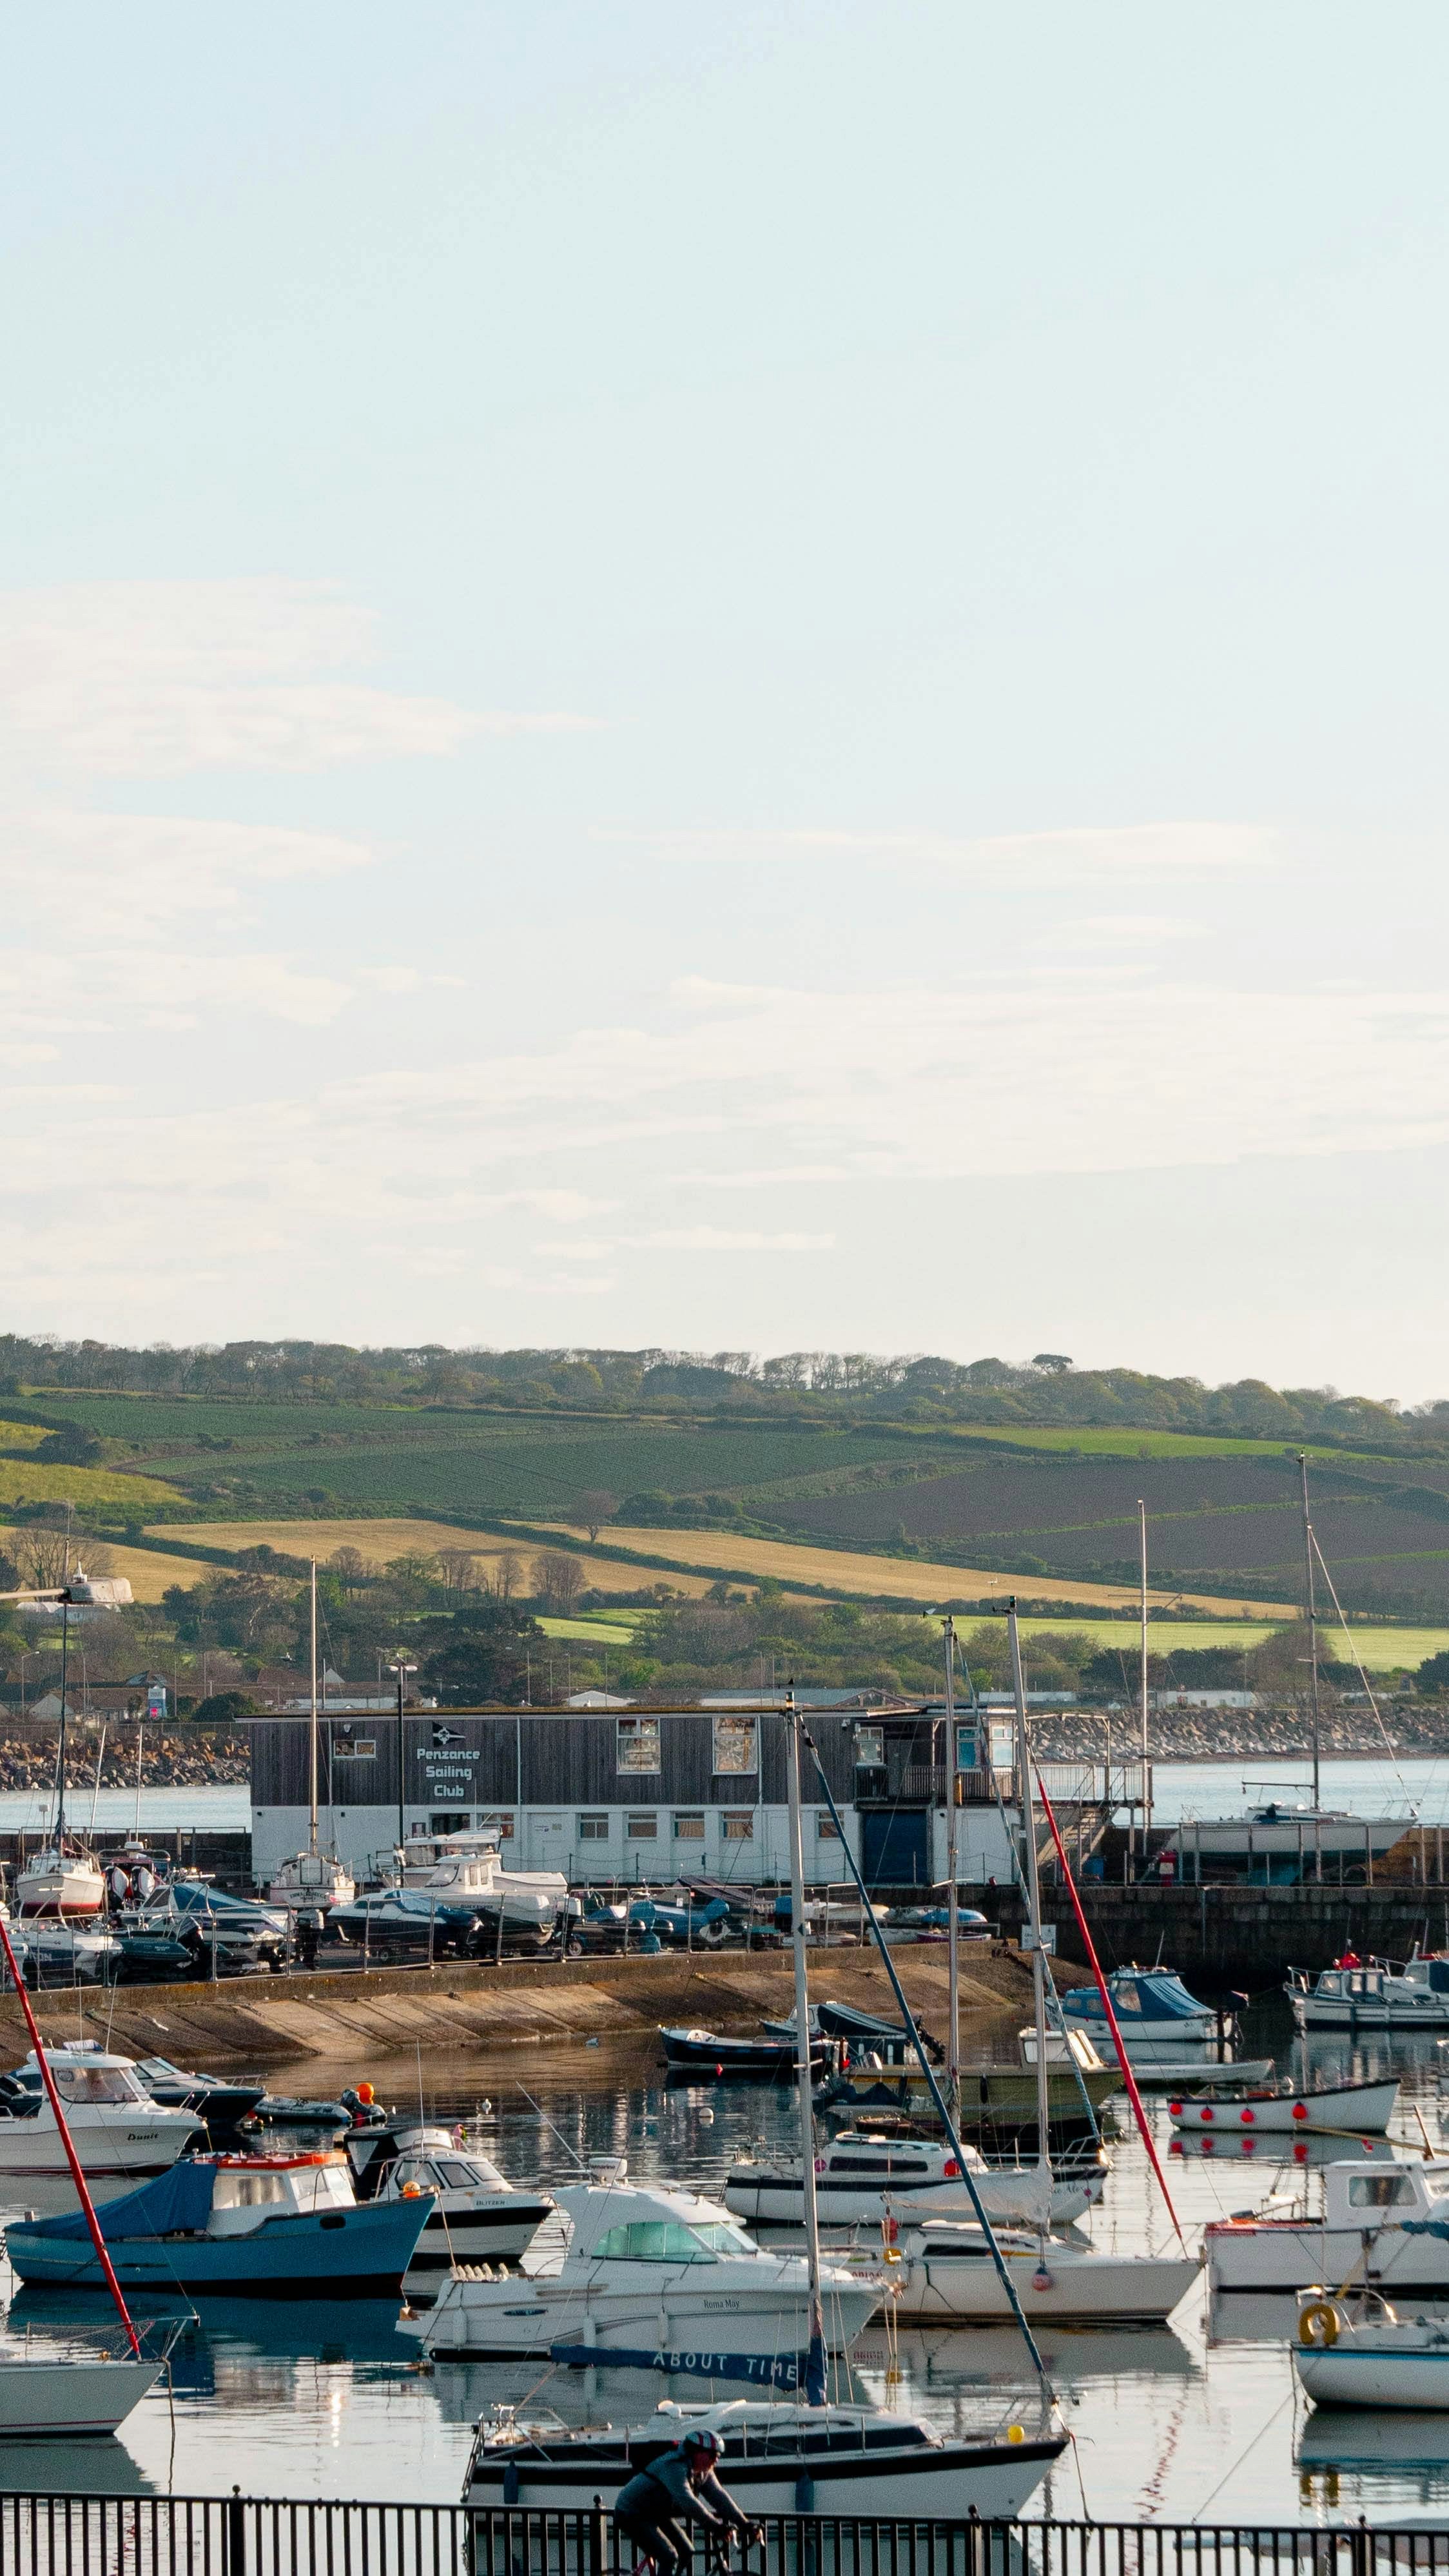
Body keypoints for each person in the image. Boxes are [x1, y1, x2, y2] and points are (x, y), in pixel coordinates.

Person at [615, 2430, 755, 2576]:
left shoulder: (703, 2470)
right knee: (668, 2556)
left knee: (687, 2551)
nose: (716, 2460)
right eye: (713, 2455)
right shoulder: (673, 2466)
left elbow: (719, 2497)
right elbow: (688, 2502)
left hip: (656, 2512)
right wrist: (715, 2526)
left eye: (719, 2456)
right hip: (632, 2513)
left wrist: (745, 2524)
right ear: (696, 2452)